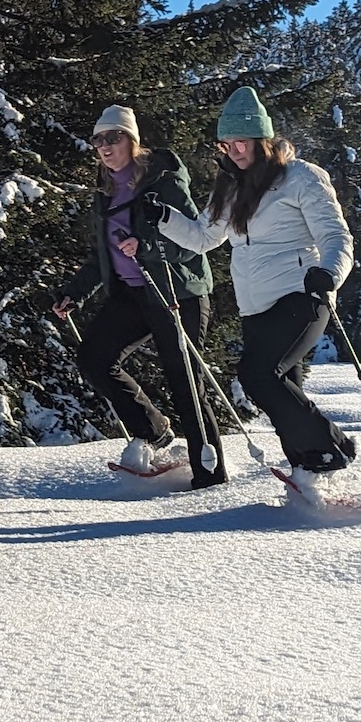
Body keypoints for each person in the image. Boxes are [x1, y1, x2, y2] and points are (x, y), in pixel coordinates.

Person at [145, 85, 357, 485]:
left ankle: (332, 448)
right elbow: (205, 238)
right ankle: (309, 475)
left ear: (263, 139)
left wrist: (328, 274)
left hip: (302, 293)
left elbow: (336, 236)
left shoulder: (301, 178)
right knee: (282, 394)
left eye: (240, 142)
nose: (234, 151)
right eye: (226, 144)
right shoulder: (231, 187)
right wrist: (163, 216)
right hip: (255, 306)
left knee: (258, 374)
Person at [50, 105, 226, 486]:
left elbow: (192, 242)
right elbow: (102, 257)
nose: (104, 147)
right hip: (132, 295)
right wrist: (74, 294)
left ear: (132, 141)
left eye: (113, 138)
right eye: (98, 140)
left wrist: (144, 244)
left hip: (177, 291)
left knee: (186, 383)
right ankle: (155, 430)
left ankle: (210, 478)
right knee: (95, 359)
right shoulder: (106, 195)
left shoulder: (164, 182)